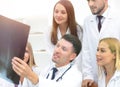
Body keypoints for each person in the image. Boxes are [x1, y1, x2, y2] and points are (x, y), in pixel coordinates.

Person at [12, 34, 82, 87]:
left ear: (72, 56)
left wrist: (30, 75)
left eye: (63, 49)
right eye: (57, 46)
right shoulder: (48, 69)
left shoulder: (76, 76)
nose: (57, 50)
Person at [82, 0, 120, 87]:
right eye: (88, 0)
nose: (90, 4)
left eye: (94, 0)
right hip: (95, 78)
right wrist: (88, 75)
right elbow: (86, 51)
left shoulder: (118, 18)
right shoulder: (87, 21)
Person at [45, 0, 83, 66]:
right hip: (55, 66)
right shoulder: (49, 30)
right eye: (56, 12)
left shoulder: (78, 30)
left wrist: (69, 67)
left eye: (63, 12)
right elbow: (50, 52)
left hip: (74, 66)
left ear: (69, 14)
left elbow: (80, 54)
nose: (58, 15)